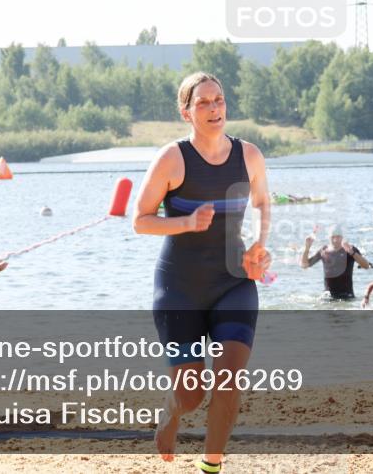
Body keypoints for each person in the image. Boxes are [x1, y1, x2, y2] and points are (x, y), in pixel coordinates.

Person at [133, 72, 271, 472]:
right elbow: (139, 220)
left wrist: (262, 247)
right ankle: (173, 410)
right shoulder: (172, 159)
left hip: (234, 282)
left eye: (219, 100)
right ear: (186, 112)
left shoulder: (249, 155)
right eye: (204, 103)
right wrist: (185, 223)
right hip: (180, 288)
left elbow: (263, 204)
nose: (214, 109)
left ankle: (210, 466)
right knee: (192, 396)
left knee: (228, 380)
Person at [300, 226, 373, 300]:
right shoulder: (324, 250)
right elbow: (304, 265)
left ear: (342, 237)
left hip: (347, 296)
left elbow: (366, 266)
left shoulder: (349, 249)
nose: (335, 240)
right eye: (333, 237)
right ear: (329, 238)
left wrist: (352, 253)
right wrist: (307, 248)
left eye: (338, 237)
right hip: (327, 297)